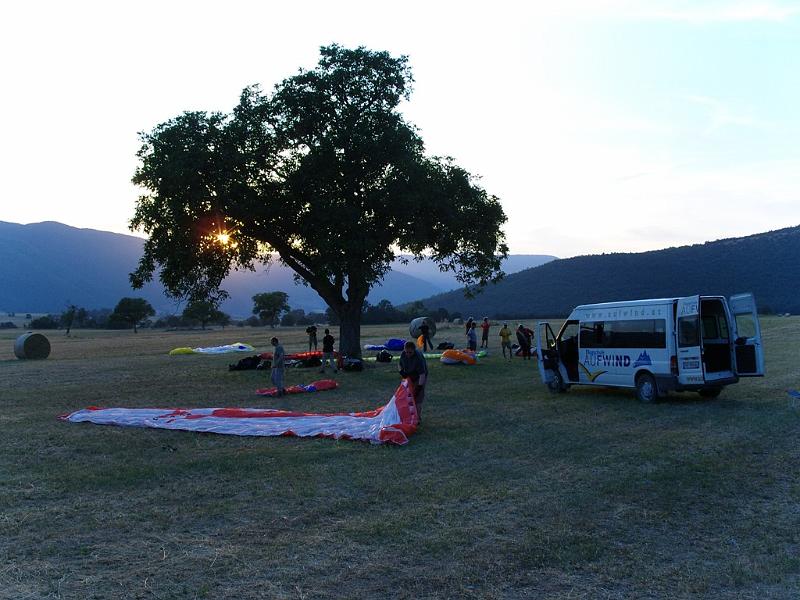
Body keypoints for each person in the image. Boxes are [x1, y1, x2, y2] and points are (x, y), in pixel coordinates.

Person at [399, 340, 428, 420]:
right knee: (407, 397)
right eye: (406, 352)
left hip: (419, 377)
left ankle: (417, 418)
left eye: (410, 352)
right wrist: (401, 371)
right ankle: (409, 416)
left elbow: (422, 375)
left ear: (414, 350)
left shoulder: (418, 358)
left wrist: (419, 387)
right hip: (409, 376)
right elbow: (400, 364)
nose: (408, 354)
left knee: (417, 398)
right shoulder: (403, 354)